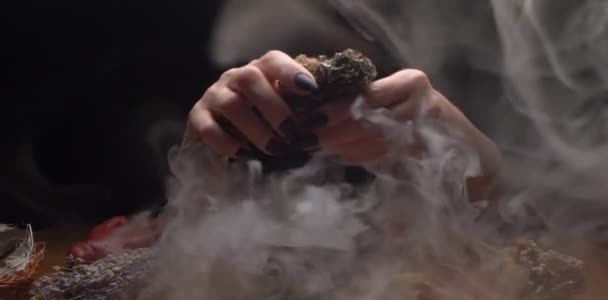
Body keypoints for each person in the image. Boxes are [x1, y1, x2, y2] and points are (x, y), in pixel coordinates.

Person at [182, 0, 502, 204]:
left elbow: (539, 216)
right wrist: (195, 180)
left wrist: (487, 171)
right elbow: (159, 243)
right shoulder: (209, 46)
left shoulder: (491, 37)